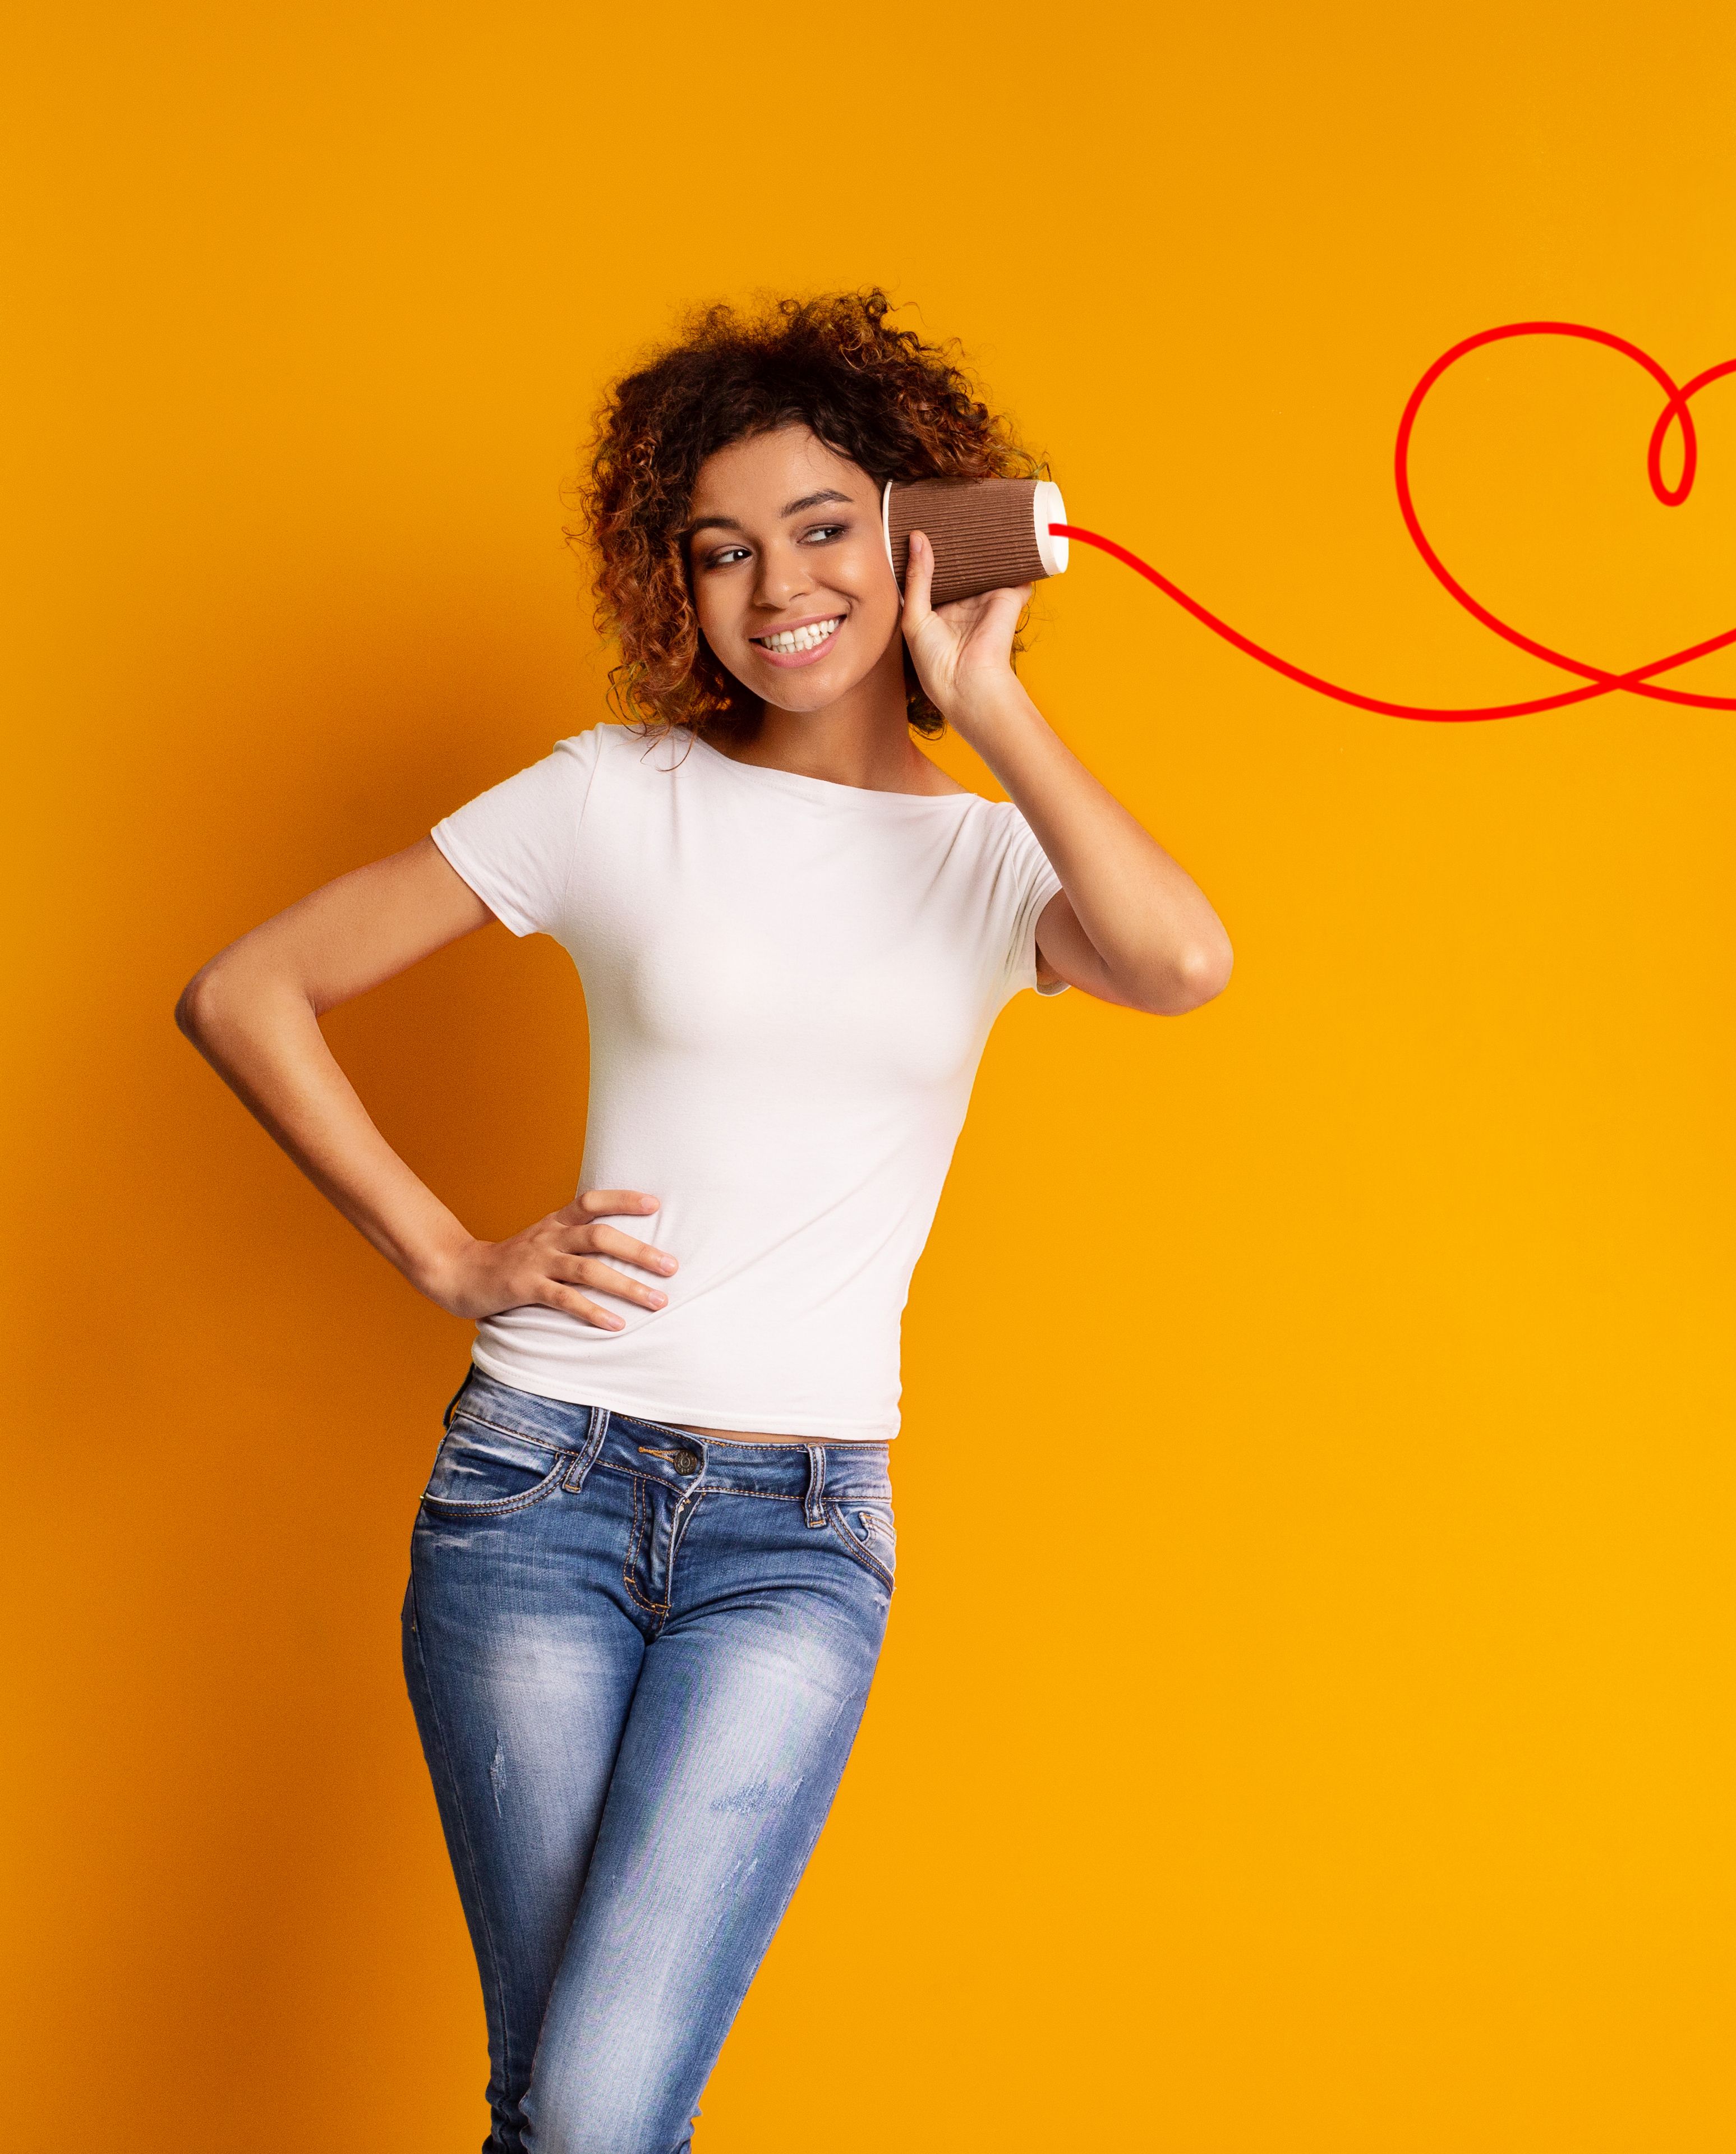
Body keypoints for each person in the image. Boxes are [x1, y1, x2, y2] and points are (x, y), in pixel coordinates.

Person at [176, 291, 1232, 2152]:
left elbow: (1183, 962)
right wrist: (448, 1255)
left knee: (585, 2109)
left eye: (824, 529)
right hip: (537, 1488)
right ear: (675, 582)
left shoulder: (992, 860)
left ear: (914, 534)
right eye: (723, 549)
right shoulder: (614, 797)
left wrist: (990, 696)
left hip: (798, 1531)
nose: (778, 587)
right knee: (574, 2116)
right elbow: (245, 990)